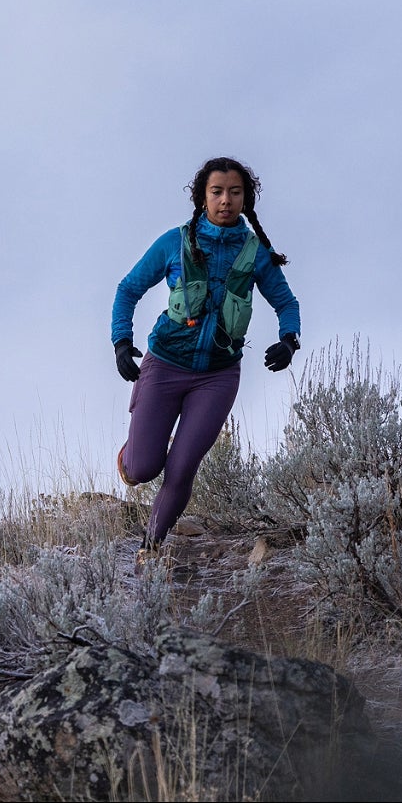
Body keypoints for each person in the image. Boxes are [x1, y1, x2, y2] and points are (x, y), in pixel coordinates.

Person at [111, 156, 300, 557]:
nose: (226, 200)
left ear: (246, 199)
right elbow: (127, 289)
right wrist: (121, 343)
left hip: (217, 377)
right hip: (164, 365)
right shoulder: (173, 243)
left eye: (235, 192)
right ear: (202, 197)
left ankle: (151, 549)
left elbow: (286, 303)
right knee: (143, 468)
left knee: (181, 469)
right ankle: (133, 449)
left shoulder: (255, 254)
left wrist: (289, 339)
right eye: (217, 192)